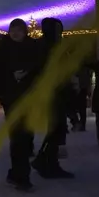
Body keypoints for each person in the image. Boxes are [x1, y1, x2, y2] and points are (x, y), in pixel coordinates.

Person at [0, 18, 38, 191]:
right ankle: (21, 175)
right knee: (18, 136)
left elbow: (40, 69)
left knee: (25, 135)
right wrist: (11, 77)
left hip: (29, 97)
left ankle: (17, 172)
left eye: (18, 30)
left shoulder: (32, 47)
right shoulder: (2, 49)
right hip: (11, 97)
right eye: (13, 30)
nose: (15, 33)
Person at [31, 18, 74, 179]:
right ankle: (46, 160)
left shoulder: (47, 46)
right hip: (52, 92)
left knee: (57, 128)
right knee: (57, 128)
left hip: (54, 92)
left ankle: (48, 161)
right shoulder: (49, 47)